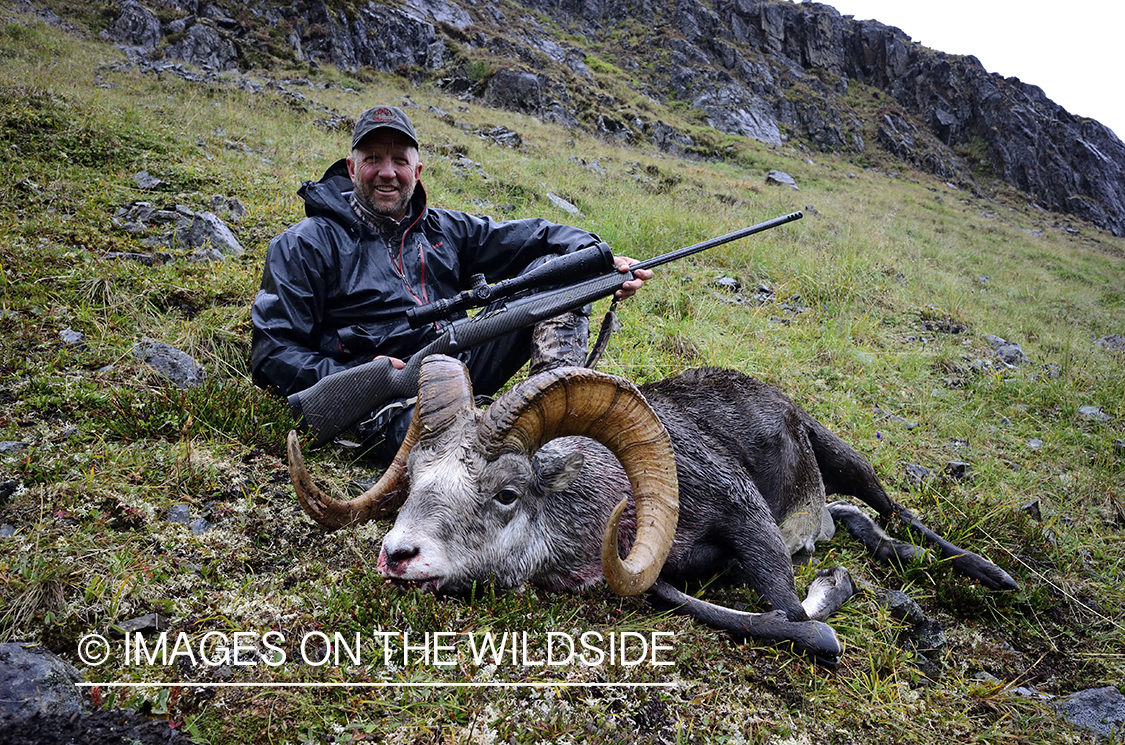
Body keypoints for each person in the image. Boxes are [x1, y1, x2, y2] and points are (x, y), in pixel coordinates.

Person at [251, 104, 652, 461]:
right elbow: (273, 355)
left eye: (399, 159)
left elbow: (539, 236)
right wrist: (358, 372)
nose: (387, 172)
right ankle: (514, 439)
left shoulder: (446, 228)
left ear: (417, 171)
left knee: (558, 273)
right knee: (468, 444)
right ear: (352, 167)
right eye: (373, 158)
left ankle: (557, 419)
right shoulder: (302, 244)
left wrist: (599, 261)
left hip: (462, 360)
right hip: (385, 400)